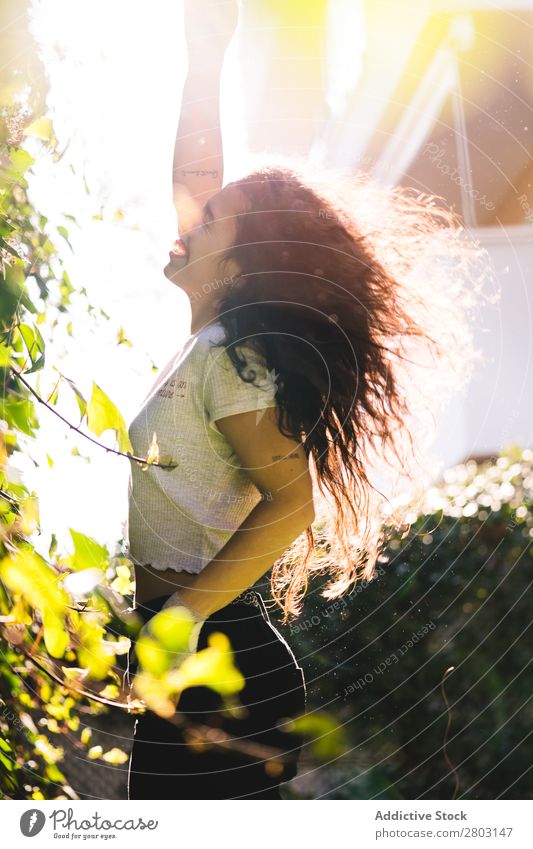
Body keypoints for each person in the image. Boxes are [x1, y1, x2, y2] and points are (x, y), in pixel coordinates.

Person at [126, 0, 482, 800]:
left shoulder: (234, 363)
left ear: (242, 266)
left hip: (217, 656)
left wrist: (177, 620)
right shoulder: (211, 337)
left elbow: (294, 502)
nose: (183, 225)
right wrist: (204, 58)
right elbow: (194, 177)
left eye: (206, 223)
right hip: (195, 644)